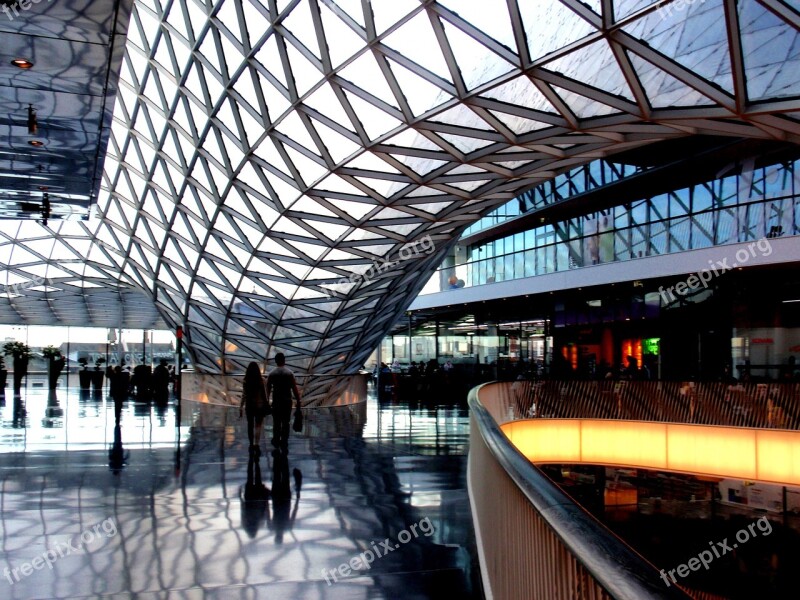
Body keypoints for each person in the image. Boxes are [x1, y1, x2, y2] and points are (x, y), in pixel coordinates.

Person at [266, 353, 302, 452]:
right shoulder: (289, 373)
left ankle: (276, 441)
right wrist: (298, 401)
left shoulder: (272, 373)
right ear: (284, 360)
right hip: (287, 402)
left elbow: (268, 390)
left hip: (276, 402)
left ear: (276, 361)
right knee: (286, 423)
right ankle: (284, 441)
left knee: (276, 423)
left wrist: (267, 402)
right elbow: (294, 389)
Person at [240, 361, 269, 455]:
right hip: (259, 406)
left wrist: (241, 406)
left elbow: (244, 395)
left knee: (250, 425)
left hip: (249, 406)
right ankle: (256, 443)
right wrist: (266, 404)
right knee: (258, 425)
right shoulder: (262, 380)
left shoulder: (246, 381)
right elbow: (265, 395)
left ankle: (251, 444)